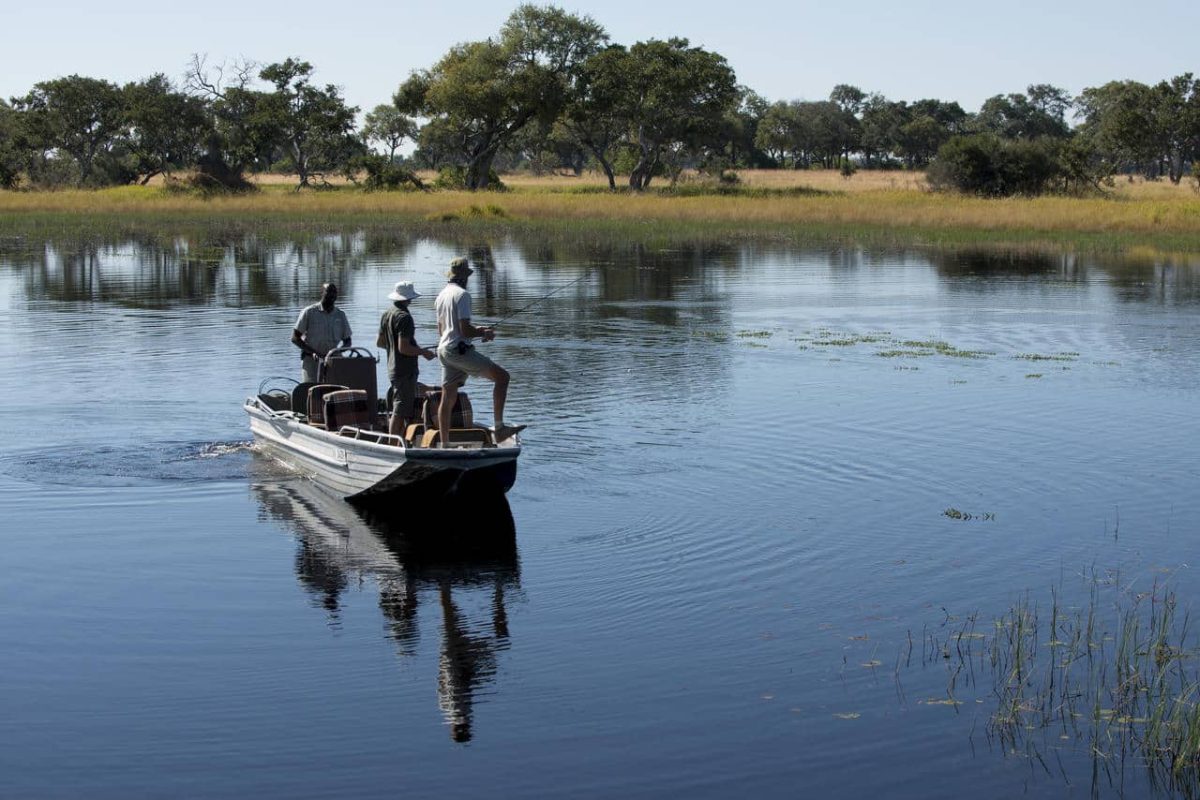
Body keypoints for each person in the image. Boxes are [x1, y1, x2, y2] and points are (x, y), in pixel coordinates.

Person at [435, 257, 524, 446]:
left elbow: (442, 331)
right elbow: (465, 330)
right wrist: (483, 333)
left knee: (447, 396)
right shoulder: (462, 295)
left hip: (443, 350)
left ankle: (445, 443)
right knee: (502, 378)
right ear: (464, 277)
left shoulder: (441, 296)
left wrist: (477, 330)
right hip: (458, 352)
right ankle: (499, 429)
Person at [376, 280, 435, 439]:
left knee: (400, 407)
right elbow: (404, 348)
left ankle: (397, 440)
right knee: (400, 411)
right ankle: (392, 444)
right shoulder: (405, 318)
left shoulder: (387, 314)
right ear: (409, 299)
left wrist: (396, 348)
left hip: (393, 369)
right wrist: (423, 352)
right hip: (405, 371)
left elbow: (380, 342)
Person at [292, 283, 352, 383]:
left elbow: (348, 341)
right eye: (329, 291)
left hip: (333, 360)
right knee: (311, 389)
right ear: (322, 292)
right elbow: (295, 338)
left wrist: (338, 351)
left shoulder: (340, 315)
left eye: (334, 292)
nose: (332, 295)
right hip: (312, 361)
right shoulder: (309, 312)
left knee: (337, 389)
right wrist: (313, 352)